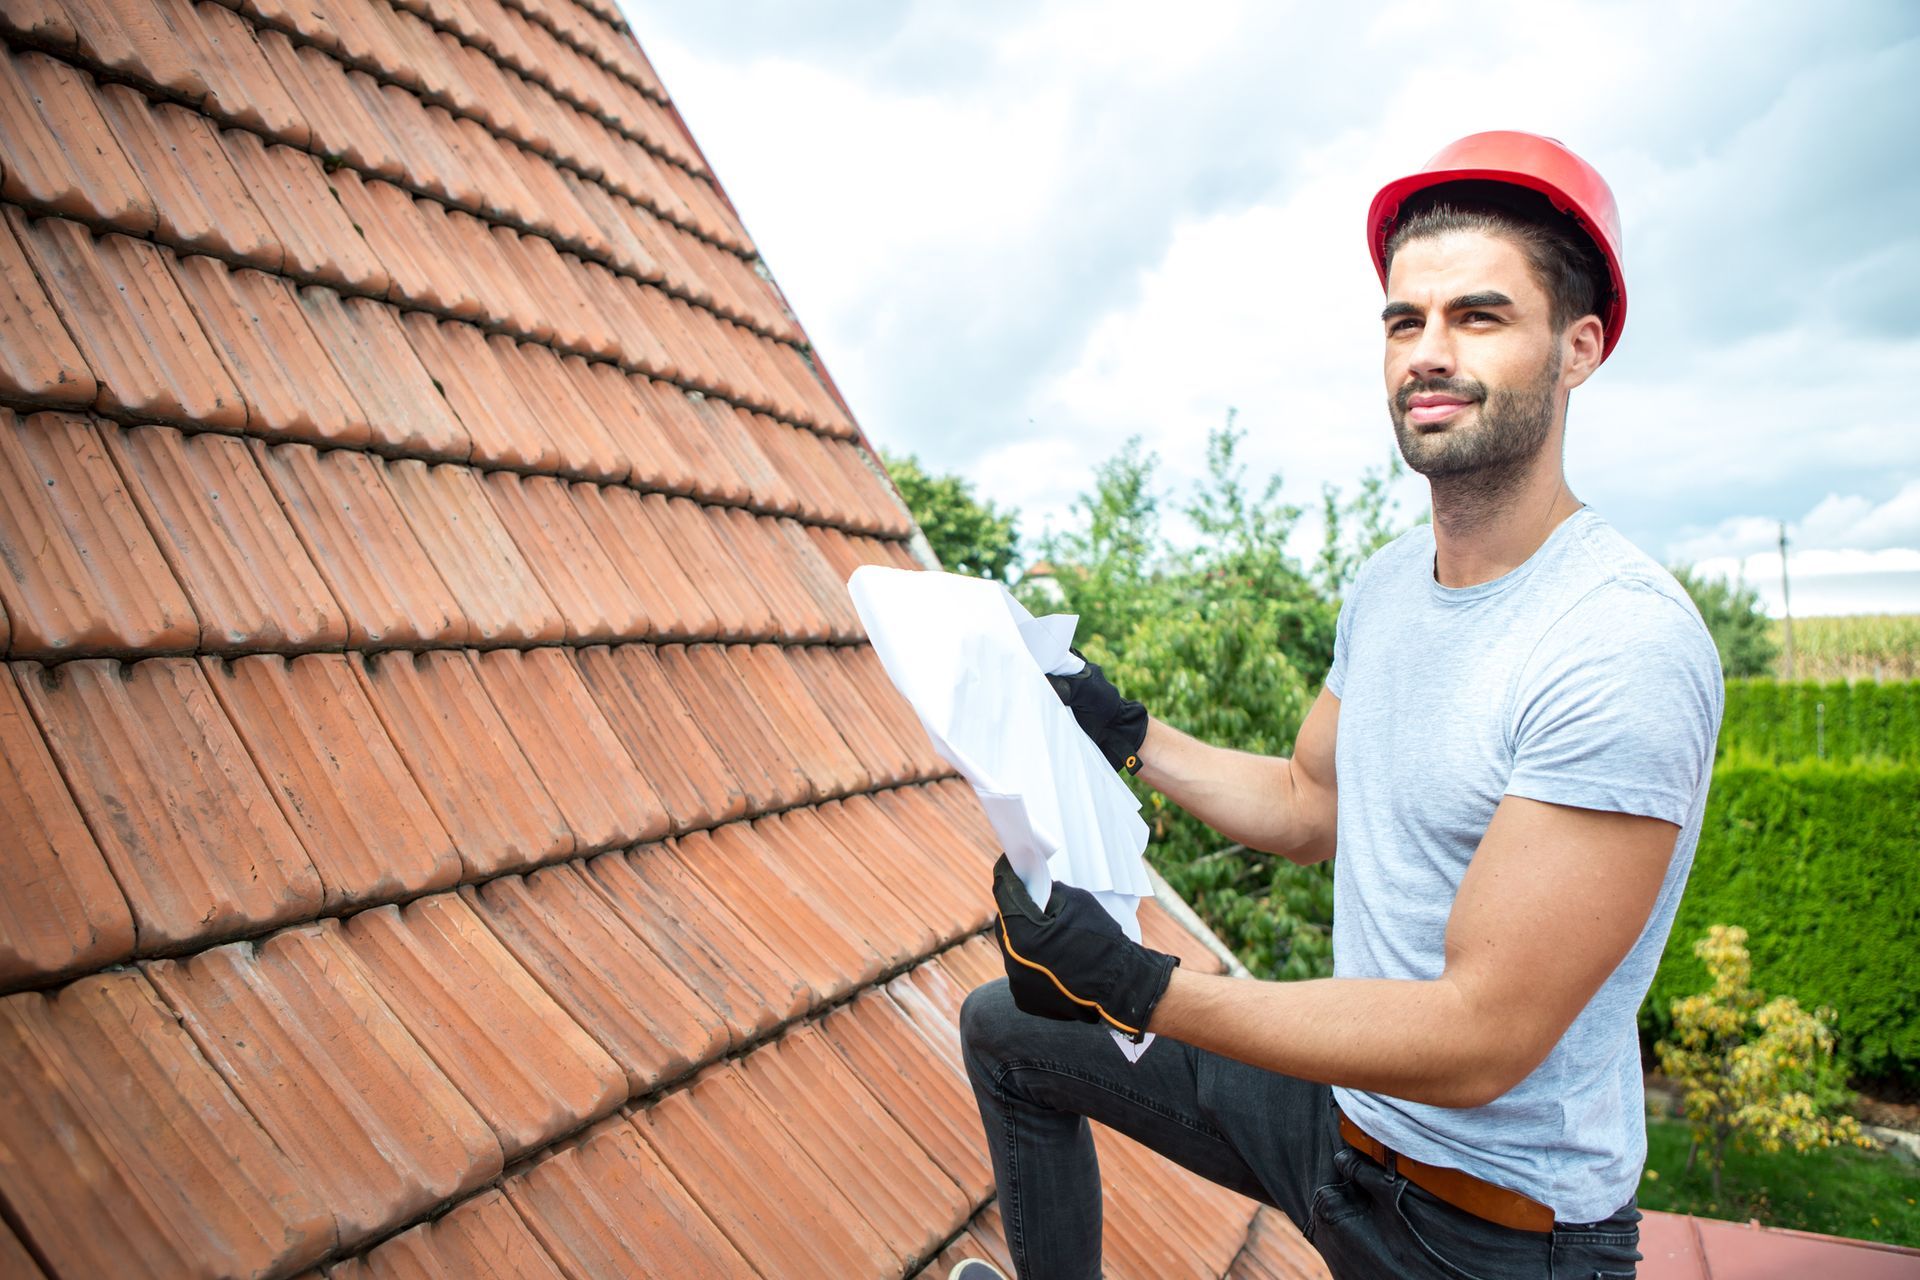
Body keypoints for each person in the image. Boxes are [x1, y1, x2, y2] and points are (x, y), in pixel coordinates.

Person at [958, 131, 1724, 1280]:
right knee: (1007, 1033)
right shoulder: (1384, 585)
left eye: (1479, 316)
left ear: (1580, 348)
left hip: (1487, 1235)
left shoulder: (1619, 642)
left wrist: (1139, 986)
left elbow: (1477, 1038)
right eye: (1404, 320)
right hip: (1337, 1123)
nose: (1430, 352)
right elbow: (1314, 801)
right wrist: (1131, 737)